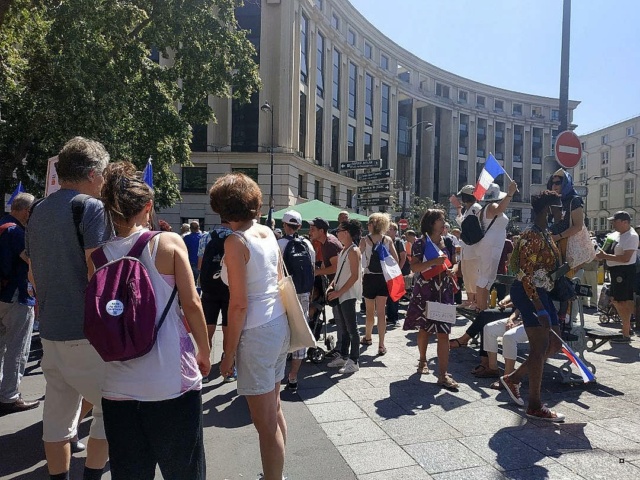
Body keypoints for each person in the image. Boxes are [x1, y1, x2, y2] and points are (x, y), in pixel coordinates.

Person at [96, 162, 210, 479]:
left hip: (117, 385)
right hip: (170, 381)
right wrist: (205, 350)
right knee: (185, 471)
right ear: (148, 207)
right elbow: (192, 303)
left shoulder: (98, 256)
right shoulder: (168, 243)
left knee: (130, 473)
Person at [26, 136, 112, 479]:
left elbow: (32, 268)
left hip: (51, 329)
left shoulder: (38, 209)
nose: (104, 181)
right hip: (85, 330)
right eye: (103, 174)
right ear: (92, 173)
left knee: (58, 416)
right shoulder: (89, 208)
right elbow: (98, 271)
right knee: (111, 409)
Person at [210, 173, 290, 480]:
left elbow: (239, 304)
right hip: (277, 323)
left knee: (264, 422)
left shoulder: (235, 241)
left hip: (256, 332)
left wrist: (227, 354)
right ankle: (277, 473)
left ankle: (274, 477)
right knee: (275, 409)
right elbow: (279, 277)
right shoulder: (267, 231)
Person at [500, 190, 565, 422]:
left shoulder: (544, 233)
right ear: (548, 209)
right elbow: (526, 274)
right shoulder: (531, 235)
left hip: (541, 292)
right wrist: (539, 307)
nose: (562, 211)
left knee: (555, 343)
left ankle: (514, 378)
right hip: (530, 294)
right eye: (559, 207)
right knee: (539, 347)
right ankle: (535, 405)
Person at [403, 209, 458, 390]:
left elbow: (455, 262)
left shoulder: (448, 241)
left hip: (444, 291)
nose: (444, 223)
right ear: (431, 222)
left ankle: (443, 375)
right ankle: (422, 360)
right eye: (441, 220)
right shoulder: (421, 242)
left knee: (444, 332)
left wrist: (453, 270)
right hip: (426, 291)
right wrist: (433, 263)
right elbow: (415, 267)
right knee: (425, 329)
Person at [0, 192, 39, 414]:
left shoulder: (2, 225)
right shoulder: (17, 232)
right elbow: (30, 260)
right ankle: (10, 397)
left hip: (2, 295)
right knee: (17, 349)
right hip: (17, 295)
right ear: (26, 211)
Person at [278, 210, 315, 392]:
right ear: (299, 227)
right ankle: (293, 376)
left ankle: (278, 373)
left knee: (282, 329)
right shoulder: (308, 244)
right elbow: (313, 269)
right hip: (304, 293)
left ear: (285, 225)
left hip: (285, 293)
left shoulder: (278, 244)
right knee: (300, 330)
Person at [547, 168, 587, 325]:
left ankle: (568, 317)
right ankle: (560, 316)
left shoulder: (573, 200)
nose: (554, 185)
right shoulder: (555, 200)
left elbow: (578, 226)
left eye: (558, 182)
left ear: (566, 183)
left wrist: (559, 236)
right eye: (552, 182)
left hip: (569, 245)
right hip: (556, 245)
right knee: (556, 280)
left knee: (568, 282)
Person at [198, 220, 234, 383]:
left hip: (209, 288)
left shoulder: (206, 237)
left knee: (208, 329)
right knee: (228, 329)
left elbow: (200, 264)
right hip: (229, 288)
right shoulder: (236, 237)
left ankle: (204, 370)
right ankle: (228, 370)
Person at [596, 211, 639, 342]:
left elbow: (626, 258)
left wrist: (605, 256)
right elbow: (605, 250)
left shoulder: (632, 236)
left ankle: (625, 333)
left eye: (615, 221)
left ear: (625, 222)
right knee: (615, 299)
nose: (613, 223)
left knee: (623, 301)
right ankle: (627, 328)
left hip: (624, 271)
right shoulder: (615, 235)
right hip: (615, 270)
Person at [360, 212, 399, 356]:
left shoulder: (365, 240)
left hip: (369, 277)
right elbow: (395, 259)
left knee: (370, 311)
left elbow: (358, 258)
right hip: (383, 278)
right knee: (381, 312)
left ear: (372, 224)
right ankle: (381, 345)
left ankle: (368, 337)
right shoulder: (387, 240)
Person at [474, 181, 517, 311]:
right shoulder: (492, 206)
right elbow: (500, 210)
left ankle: (482, 307)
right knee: (486, 277)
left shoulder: (483, 210)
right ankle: (482, 308)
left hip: (489, 244)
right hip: (491, 245)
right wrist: (510, 194)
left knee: (487, 277)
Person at [326, 220, 363, 373]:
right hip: (341, 293)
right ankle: (344, 355)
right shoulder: (344, 250)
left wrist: (338, 292)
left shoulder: (353, 251)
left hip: (347, 294)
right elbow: (340, 273)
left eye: (339, 230)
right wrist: (332, 286)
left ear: (346, 232)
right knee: (345, 329)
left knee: (352, 329)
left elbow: (354, 276)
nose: (337, 233)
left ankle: (354, 360)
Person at [309, 217, 343, 356]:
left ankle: (341, 350)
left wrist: (317, 272)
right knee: (339, 317)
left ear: (321, 231)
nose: (310, 231)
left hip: (340, 285)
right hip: (336, 283)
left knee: (341, 318)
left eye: (313, 229)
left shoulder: (329, 243)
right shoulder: (324, 242)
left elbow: (335, 268)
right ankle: (340, 348)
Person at [484, 308, 528, 390]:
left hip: (535, 325)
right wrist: (510, 320)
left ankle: (508, 378)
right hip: (520, 321)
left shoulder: (539, 295)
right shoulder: (523, 295)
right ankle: (493, 368)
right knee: (489, 328)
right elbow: (518, 309)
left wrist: (521, 323)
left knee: (509, 337)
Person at [454, 185, 482, 308]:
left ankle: (476, 301)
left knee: (474, 275)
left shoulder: (476, 208)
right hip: (466, 248)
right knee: (467, 275)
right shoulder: (468, 210)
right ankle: (470, 299)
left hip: (474, 248)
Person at [386, 222, 406, 327]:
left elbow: (403, 257)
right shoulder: (382, 241)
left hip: (394, 273)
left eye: (391, 229)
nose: (389, 230)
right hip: (384, 272)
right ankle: (387, 316)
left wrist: (398, 269)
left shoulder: (398, 242)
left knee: (394, 296)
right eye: (388, 228)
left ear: (395, 231)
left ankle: (393, 318)